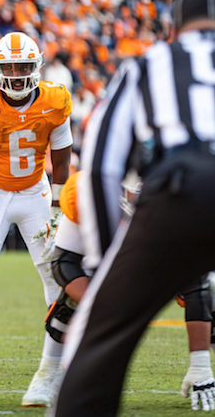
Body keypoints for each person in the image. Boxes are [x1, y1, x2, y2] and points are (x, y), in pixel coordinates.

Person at [55, 0, 215, 416]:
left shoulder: (148, 64)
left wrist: (108, 265)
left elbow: (100, 164)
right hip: (183, 190)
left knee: (101, 332)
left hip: (182, 188)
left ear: (174, 30)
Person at [0, 31, 73, 408]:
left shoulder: (55, 101)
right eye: (10, 67)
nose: (17, 74)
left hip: (36, 192)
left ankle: (60, 351)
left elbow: (63, 161)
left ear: (36, 67)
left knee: (53, 270)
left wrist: (56, 208)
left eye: (24, 67)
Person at [45, 172, 215, 410]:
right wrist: (100, 303)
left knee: (211, 292)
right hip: (117, 267)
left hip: (168, 262)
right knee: (68, 307)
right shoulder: (87, 190)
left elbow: (197, 283)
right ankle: (49, 373)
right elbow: (64, 262)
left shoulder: (181, 199)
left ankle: (204, 370)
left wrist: (200, 365)